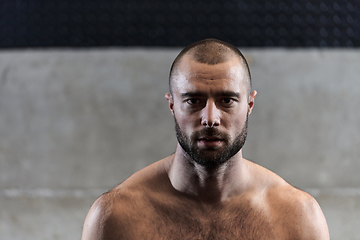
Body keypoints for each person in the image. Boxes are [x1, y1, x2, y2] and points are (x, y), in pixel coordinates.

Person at [81, 38, 329, 239]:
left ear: (250, 104)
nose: (210, 118)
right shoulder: (116, 217)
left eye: (227, 100)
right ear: (172, 105)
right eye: (193, 101)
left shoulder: (298, 216)